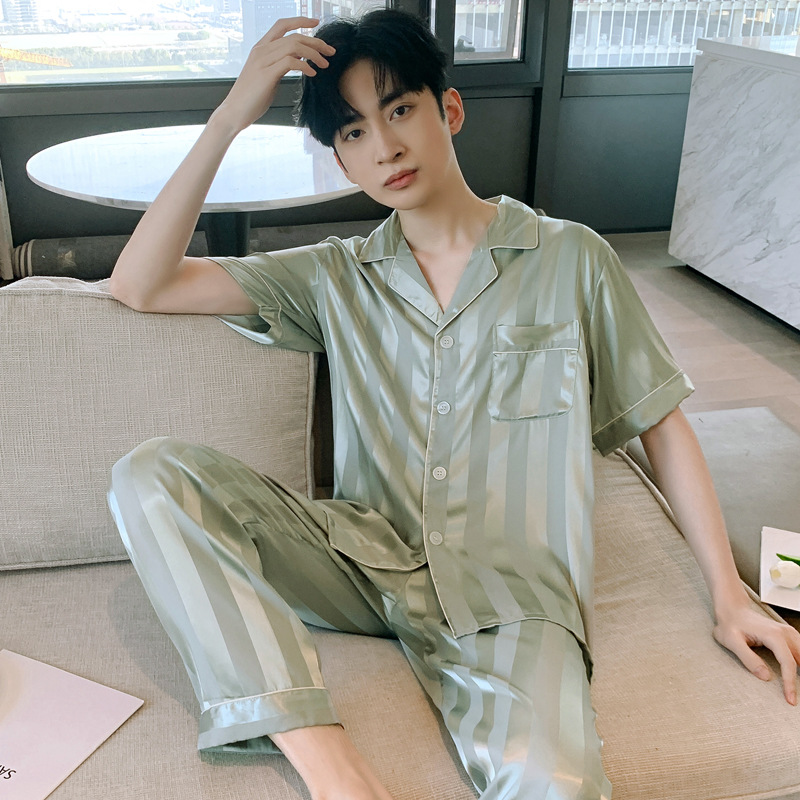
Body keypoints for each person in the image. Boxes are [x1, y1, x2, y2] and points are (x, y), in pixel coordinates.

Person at [106, 10, 800, 800]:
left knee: (556, 784)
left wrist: (729, 595)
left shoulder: (572, 256)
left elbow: (660, 424)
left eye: (400, 109)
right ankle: (332, 766)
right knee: (152, 474)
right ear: (340, 158)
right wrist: (232, 116)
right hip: (366, 559)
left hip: (513, 595)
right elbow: (141, 282)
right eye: (354, 132)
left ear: (451, 109)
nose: (385, 147)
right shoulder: (335, 275)